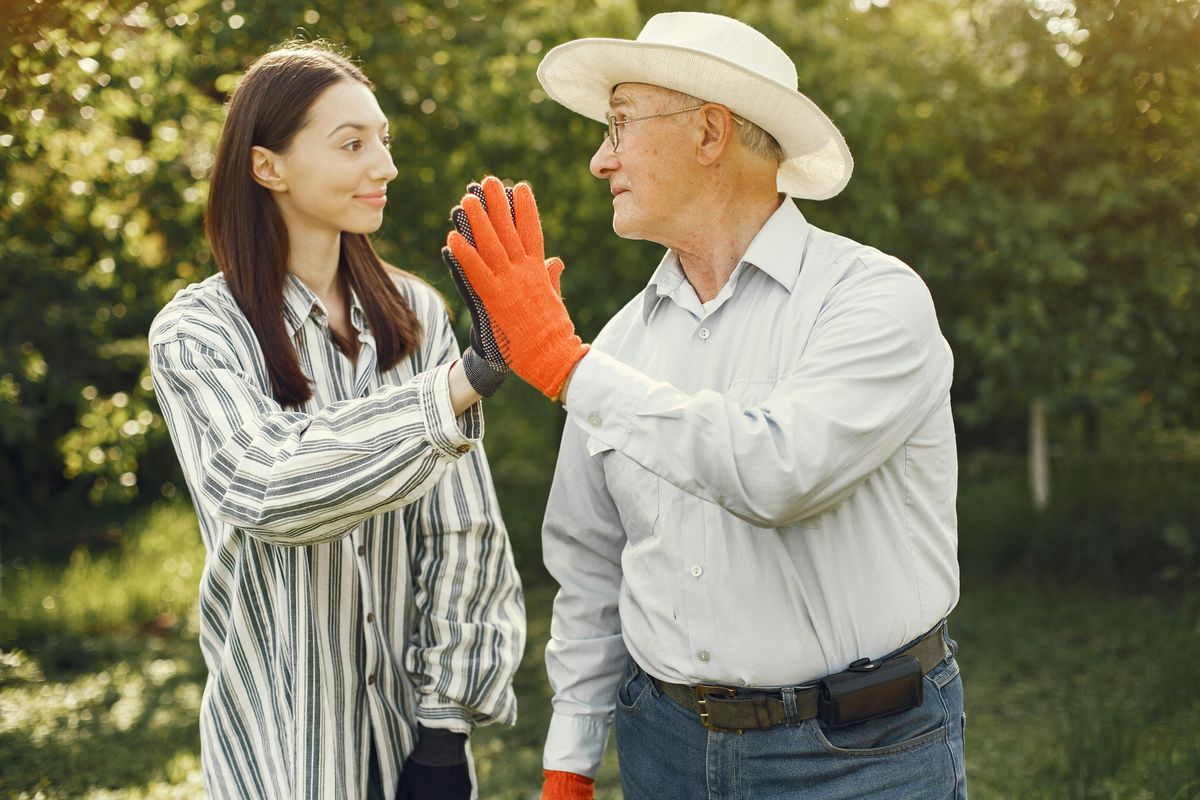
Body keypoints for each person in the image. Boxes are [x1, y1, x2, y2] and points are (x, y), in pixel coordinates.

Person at [445, 11, 966, 800]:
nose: (599, 159)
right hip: (667, 753)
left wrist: (560, 363)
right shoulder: (617, 345)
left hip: (862, 760)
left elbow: (779, 471)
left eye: (619, 125)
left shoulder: (874, 300)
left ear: (710, 133)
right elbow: (591, 564)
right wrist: (570, 759)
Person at [149, 41, 525, 800]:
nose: (383, 166)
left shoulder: (417, 313)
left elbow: (463, 530)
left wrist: (445, 729)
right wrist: (456, 388)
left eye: (383, 140)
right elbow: (270, 487)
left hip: (412, 740)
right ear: (268, 167)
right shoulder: (197, 334)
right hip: (278, 750)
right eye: (352, 144)